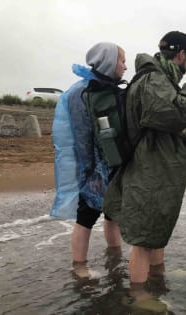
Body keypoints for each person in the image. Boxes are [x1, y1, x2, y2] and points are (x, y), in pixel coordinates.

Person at [103, 31, 186, 294]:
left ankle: (157, 279)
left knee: (155, 232)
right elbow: (176, 113)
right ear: (181, 55)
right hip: (148, 172)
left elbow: (160, 130)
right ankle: (140, 297)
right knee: (143, 240)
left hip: (154, 168)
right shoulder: (153, 79)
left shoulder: (160, 80)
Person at [53, 42, 126, 278]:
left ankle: (115, 256)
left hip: (114, 165)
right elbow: (81, 136)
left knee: (113, 214)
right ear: (108, 61)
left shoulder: (113, 90)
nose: (125, 67)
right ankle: (80, 267)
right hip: (94, 168)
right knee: (86, 217)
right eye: (121, 61)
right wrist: (90, 171)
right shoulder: (81, 93)